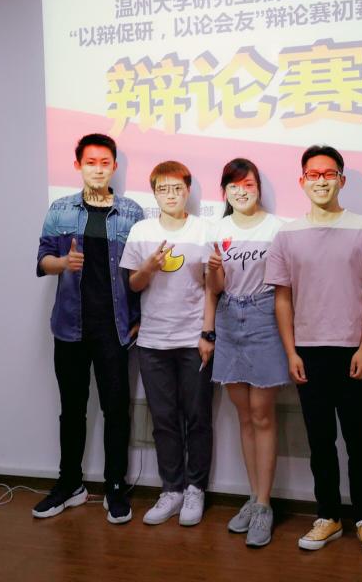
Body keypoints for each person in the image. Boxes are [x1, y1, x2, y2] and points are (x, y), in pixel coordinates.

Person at [264, 144, 362, 559]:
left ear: (341, 180)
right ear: (302, 181)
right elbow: (282, 298)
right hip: (308, 354)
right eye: (313, 174)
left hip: (354, 354)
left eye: (328, 174)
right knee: (320, 442)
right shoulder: (287, 234)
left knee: (358, 442)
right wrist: (291, 352)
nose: (320, 181)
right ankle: (328, 515)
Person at [34, 133, 143, 524]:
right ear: (78, 165)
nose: (98, 169)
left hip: (114, 328)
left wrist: (138, 319)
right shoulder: (60, 209)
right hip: (70, 327)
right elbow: (43, 259)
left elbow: (139, 272)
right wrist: (63, 264)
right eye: (91, 162)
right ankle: (70, 484)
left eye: (105, 162)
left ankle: (115, 486)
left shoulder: (132, 212)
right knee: (72, 410)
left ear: (114, 167)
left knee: (116, 410)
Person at [120, 161, 213, 527]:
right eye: (163, 189)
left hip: (193, 340)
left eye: (177, 188)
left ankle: (196, 488)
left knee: (198, 417)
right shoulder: (141, 230)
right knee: (163, 419)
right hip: (152, 341)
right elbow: (133, 284)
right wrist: (149, 267)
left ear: (188, 191)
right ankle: (171, 489)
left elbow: (212, 288)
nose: (171, 195)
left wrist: (207, 334)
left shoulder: (203, 229)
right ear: (154, 193)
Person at [202, 158, 288, 548]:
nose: (241, 191)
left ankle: (265, 505)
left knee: (262, 414)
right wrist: (208, 331)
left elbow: (286, 288)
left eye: (248, 184)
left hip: (264, 317)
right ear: (225, 192)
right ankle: (254, 499)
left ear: (258, 188)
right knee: (244, 417)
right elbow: (214, 289)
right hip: (228, 319)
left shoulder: (277, 229)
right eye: (234, 186)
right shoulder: (217, 230)